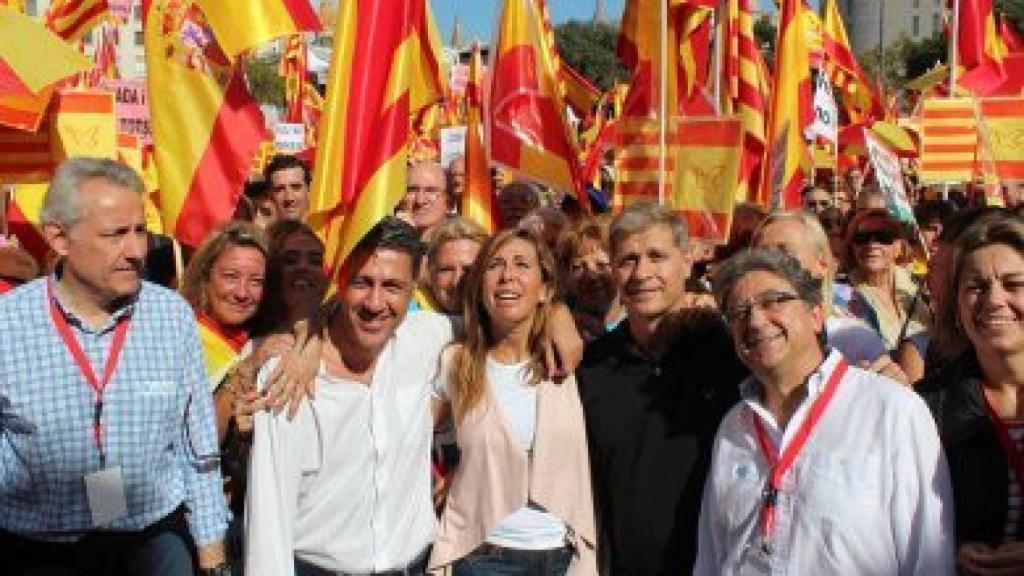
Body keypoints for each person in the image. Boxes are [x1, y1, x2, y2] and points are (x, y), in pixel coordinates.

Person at [244, 217, 584, 575]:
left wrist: (557, 314)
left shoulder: (429, 338)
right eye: (361, 283)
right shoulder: (289, 377)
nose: (376, 302)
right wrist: (309, 333)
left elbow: (502, 317)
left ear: (414, 288)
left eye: (392, 286)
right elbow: (268, 522)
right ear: (340, 282)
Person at [0, 158, 230, 575]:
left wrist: (211, 552)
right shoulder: (8, 324)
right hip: (38, 549)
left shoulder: (170, 316)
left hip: (151, 538)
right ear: (59, 238)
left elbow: (196, 444)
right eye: (115, 234)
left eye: (140, 230)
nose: (137, 251)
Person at [695, 248, 955, 575]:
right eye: (739, 312)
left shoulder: (891, 412)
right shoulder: (734, 428)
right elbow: (711, 556)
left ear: (816, 314)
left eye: (773, 301)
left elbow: (929, 558)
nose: (756, 321)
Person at [578, 202, 748, 575]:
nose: (643, 273)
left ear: (686, 262)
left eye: (657, 256)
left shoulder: (731, 353)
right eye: (628, 260)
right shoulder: (591, 367)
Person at [429, 228, 597, 575]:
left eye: (522, 265)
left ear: (545, 288)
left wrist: (559, 312)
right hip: (486, 556)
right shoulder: (455, 363)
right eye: (494, 265)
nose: (508, 276)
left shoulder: (571, 359)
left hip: (565, 556)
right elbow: (408, 442)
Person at [918, 213, 1024, 574]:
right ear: (957, 306)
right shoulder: (923, 407)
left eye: (1014, 284)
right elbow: (903, 520)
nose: (994, 300)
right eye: (976, 287)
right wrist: (952, 549)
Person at [751, 211, 903, 379]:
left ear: (822, 265)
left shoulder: (856, 340)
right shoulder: (740, 337)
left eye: (786, 253)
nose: (771, 263)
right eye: (761, 255)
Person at [845, 208, 928, 351]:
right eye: (862, 238)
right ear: (853, 247)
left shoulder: (920, 285)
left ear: (899, 247)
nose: (872, 245)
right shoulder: (843, 296)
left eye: (883, 237)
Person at [557, 216, 624, 341]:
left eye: (601, 265)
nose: (591, 276)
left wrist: (604, 337)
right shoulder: (559, 325)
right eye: (578, 267)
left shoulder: (639, 321)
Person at [424, 216, 488, 315]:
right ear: (430, 273)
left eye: (468, 270)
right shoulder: (407, 321)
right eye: (446, 270)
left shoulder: (507, 321)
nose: (456, 281)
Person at [404, 161, 451, 236]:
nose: (420, 200)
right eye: (413, 190)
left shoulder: (462, 244)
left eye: (431, 191)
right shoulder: (384, 240)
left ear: (449, 200)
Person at [264, 154, 311, 222]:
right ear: (269, 194)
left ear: (308, 189)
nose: (289, 198)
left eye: (296, 187)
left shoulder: (327, 230)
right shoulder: (255, 231)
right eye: (280, 189)